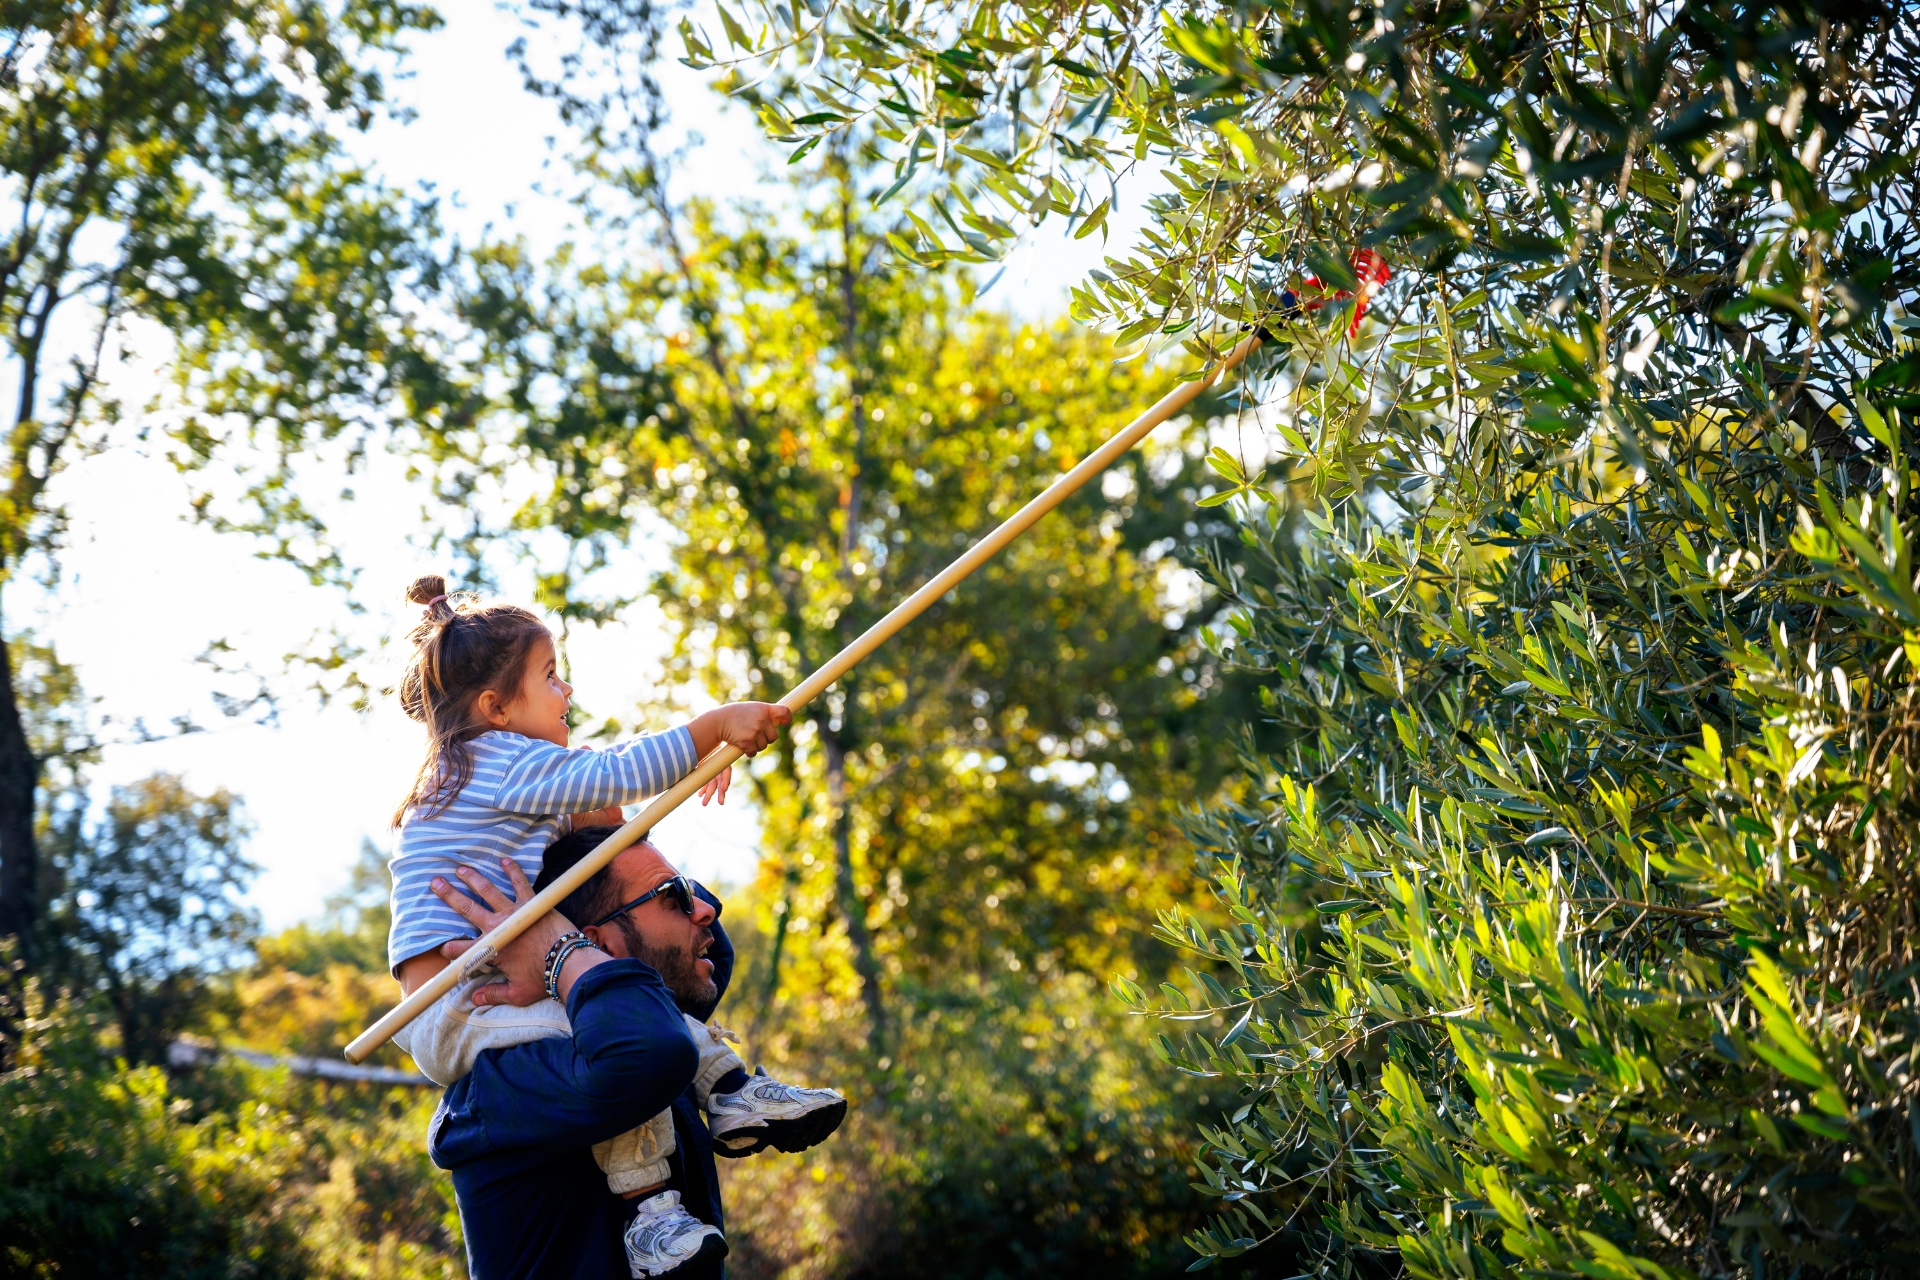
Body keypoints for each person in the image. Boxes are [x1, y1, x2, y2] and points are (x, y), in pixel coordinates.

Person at [386, 574, 843, 1275]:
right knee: (617, 1049)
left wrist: (681, 781)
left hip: (484, 982)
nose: (566, 695)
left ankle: (728, 1092)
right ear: (495, 708)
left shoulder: (470, 781)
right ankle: (652, 1215)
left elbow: (691, 937)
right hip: (458, 1004)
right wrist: (711, 730)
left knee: (635, 1012)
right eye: (550, 678)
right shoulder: (499, 761)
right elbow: (611, 773)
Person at [428, 836, 810, 1278]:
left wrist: (609, 820)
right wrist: (561, 952)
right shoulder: (502, 1083)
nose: (706, 910)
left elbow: (715, 953)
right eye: (673, 898)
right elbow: (647, 1052)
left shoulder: (661, 1021)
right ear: (599, 944)